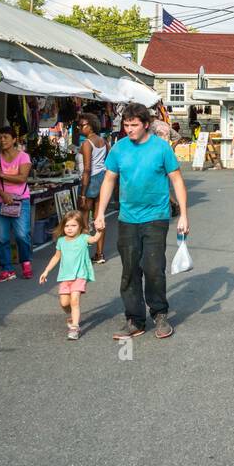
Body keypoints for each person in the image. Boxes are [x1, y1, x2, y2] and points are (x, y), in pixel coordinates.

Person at [94, 102, 188, 340]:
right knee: (130, 269)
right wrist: (100, 213)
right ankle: (135, 319)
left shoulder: (161, 148)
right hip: (127, 218)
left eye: (134, 125)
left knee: (153, 267)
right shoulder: (119, 149)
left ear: (146, 125)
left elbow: (176, 180)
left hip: (156, 216)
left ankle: (159, 314)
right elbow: (109, 180)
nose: (129, 129)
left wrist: (184, 214)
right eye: (126, 125)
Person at [39, 210, 101, 341]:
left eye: (73, 225)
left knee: (75, 300)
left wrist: (99, 230)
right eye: (67, 226)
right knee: (64, 303)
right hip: (65, 277)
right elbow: (56, 257)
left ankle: (74, 327)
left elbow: (94, 239)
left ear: (80, 226)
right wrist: (46, 271)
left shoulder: (83, 239)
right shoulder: (61, 241)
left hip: (79, 275)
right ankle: (72, 314)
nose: (69, 228)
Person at [0, 126, 33, 283]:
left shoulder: (24, 157)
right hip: (0, 201)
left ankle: (25, 262)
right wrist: (3, 194)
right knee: (2, 237)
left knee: (22, 234)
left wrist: (2, 175)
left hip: (20, 200)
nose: (2, 140)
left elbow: (22, 178)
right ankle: (7, 269)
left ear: (14, 139)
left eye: (6, 137)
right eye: (0, 137)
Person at [78, 114, 108, 264]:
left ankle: (83, 254)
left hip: (90, 181)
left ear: (90, 125)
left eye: (82, 125)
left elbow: (87, 169)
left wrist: (83, 193)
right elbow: (107, 162)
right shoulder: (104, 141)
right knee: (99, 218)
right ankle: (100, 254)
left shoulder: (87, 144)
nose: (79, 127)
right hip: (103, 179)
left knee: (84, 219)